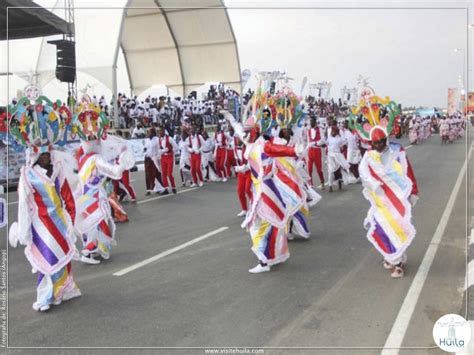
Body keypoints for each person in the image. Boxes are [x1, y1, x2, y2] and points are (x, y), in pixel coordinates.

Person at [8, 93, 81, 311]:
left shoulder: (58, 169)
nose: (46, 157)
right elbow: (23, 205)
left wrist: (71, 221)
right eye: (42, 155)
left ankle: (63, 290)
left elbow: (67, 196)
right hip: (41, 223)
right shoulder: (27, 175)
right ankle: (45, 296)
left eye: (48, 153)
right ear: (34, 155)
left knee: (63, 256)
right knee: (47, 258)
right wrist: (25, 232)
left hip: (59, 219)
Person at [74, 98, 135, 264]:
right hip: (95, 196)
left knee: (94, 223)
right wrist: (122, 161)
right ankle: (89, 250)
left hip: (84, 195)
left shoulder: (81, 157)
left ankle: (95, 249)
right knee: (96, 221)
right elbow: (114, 172)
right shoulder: (96, 158)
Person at [359, 126, 418, 278]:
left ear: (385, 140)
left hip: (398, 199)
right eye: (374, 143)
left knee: (398, 227)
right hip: (380, 200)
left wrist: (413, 192)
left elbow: (407, 172)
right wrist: (374, 183)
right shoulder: (369, 155)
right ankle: (392, 256)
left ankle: (398, 264)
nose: (377, 146)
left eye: (380, 142)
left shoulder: (397, 151)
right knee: (381, 228)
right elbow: (363, 173)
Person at [326, 123, 355, 192]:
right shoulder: (329, 138)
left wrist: (341, 145)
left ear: (336, 132)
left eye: (333, 131)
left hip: (337, 156)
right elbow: (326, 144)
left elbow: (345, 141)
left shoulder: (339, 139)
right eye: (332, 131)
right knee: (330, 170)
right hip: (330, 156)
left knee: (339, 170)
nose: (332, 132)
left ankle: (340, 185)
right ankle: (330, 186)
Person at [306, 117, 325, 188]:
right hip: (310, 150)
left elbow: (323, 139)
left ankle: (322, 181)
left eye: (311, 122)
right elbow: (308, 141)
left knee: (319, 169)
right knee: (309, 168)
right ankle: (311, 183)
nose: (310, 123)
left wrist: (315, 143)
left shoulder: (319, 129)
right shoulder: (308, 131)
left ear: (315, 122)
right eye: (310, 122)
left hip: (317, 150)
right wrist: (307, 148)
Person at [234, 137, 252, 216]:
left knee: (248, 189)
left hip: (249, 171)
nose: (237, 140)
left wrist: (243, 167)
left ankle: (255, 207)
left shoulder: (248, 148)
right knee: (240, 191)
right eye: (236, 139)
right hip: (241, 173)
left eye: (239, 139)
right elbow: (237, 160)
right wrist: (238, 168)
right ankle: (244, 209)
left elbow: (251, 162)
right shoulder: (235, 149)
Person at [158, 128, 178, 195]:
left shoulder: (169, 138)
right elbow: (159, 148)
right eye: (159, 131)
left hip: (169, 157)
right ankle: (166, 188)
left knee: (169, 174)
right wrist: (161, 151)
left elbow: (176, 147)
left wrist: (170, 151)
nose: (160, 132)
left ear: (164, 131)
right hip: (163, 157)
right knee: (163, 174)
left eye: (161, 131)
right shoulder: (160, 139)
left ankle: (173, 187)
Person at [144, 127, 163, 195]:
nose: (148, 133)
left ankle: (159, 188)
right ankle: (148, 189)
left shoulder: (157, 140)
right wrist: (145, 152)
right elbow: (145, 148)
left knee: (156, 173)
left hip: (154, 158)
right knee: (148, 174)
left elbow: (160, 149)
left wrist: (158, 157)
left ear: (153, 133)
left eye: (149, 132)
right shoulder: (147, 140)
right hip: (147, 158)